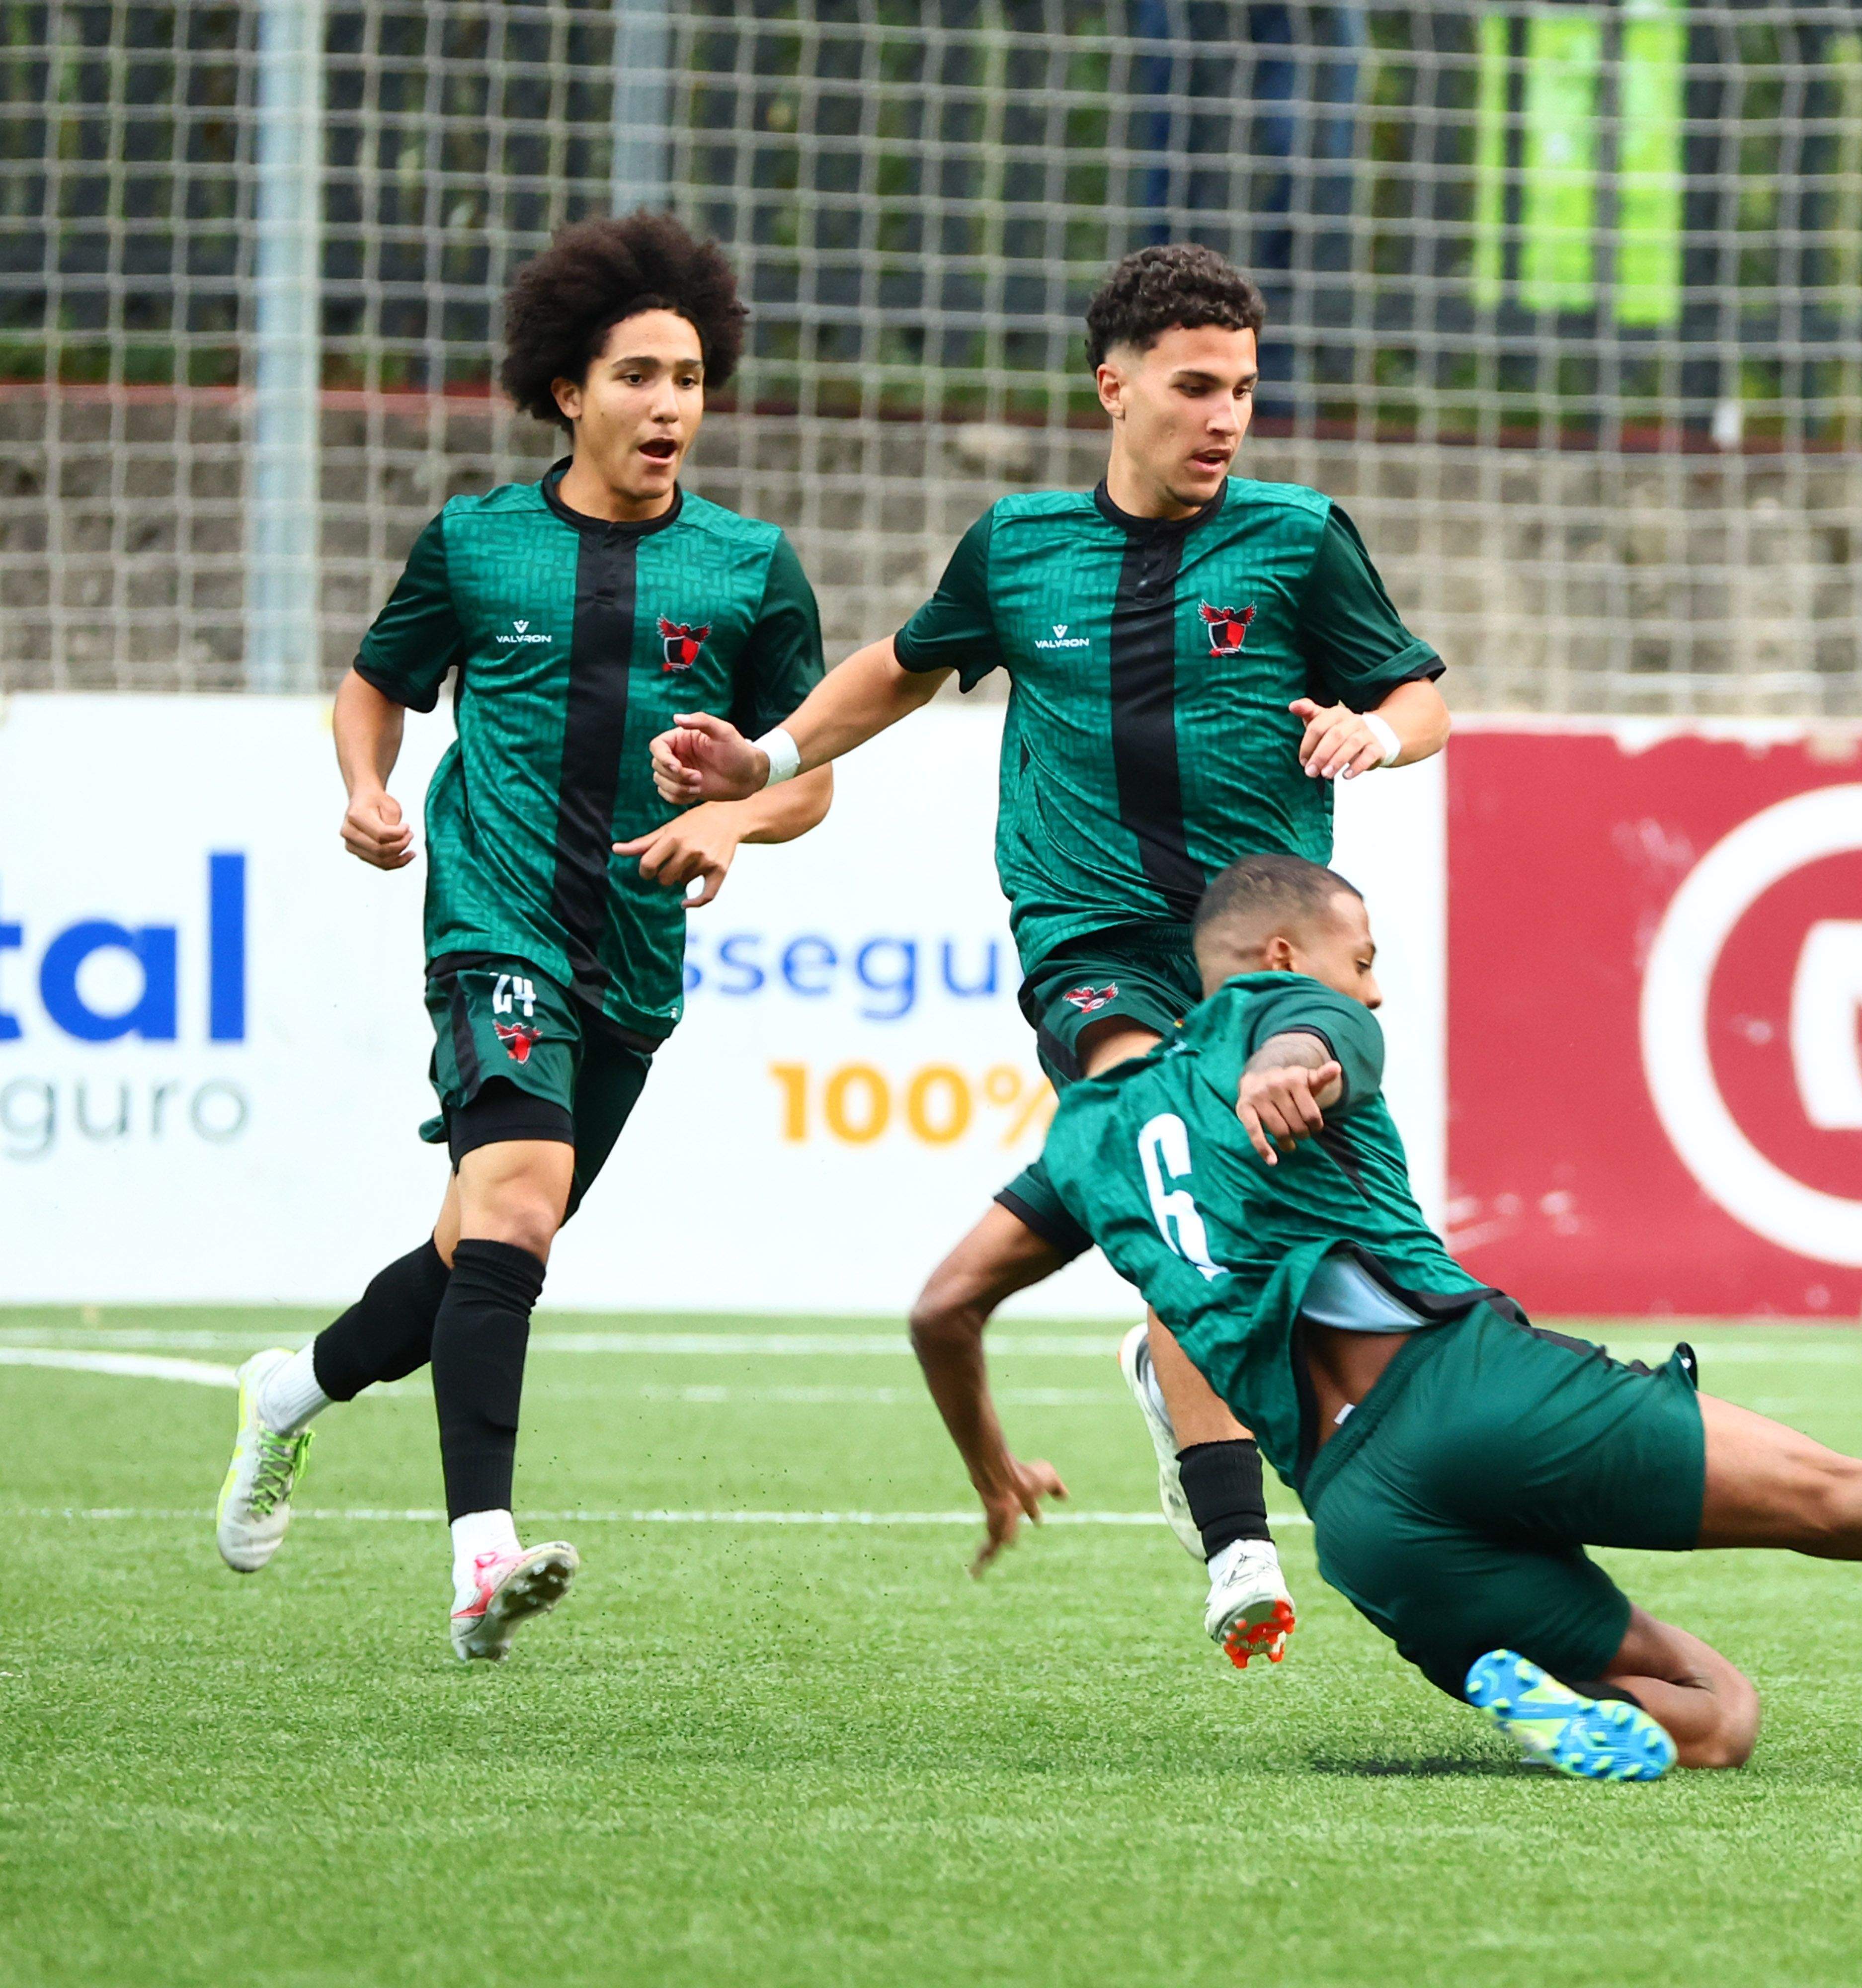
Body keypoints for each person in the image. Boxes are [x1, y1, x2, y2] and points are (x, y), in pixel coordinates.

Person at [1010, 851, 1862, 1780]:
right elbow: (1329, 1037)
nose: (1375, 980)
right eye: (1361, 953)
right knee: (1844, 1496)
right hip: (1478, 1391)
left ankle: (1520, 1693)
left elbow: (951, 1305)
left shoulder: (1090, 1142)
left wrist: (989, 1455)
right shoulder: (1295, 1021)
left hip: (1366, 1525)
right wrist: (1312, 1045)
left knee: (1716, 1718)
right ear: (1274, 958)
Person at [649, 244, 1449, 1668]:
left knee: (1253, 1221)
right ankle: (1238, 1544)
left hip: (1260, 954)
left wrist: (1373, 734)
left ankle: (1174, 1367)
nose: (1225, 419)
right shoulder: (1019, 548)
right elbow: (899, 664)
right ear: (1114, 386)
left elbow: (1416, 694)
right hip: (1090, 942)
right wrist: (760, 756)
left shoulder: (1296, 538)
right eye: (1196, 387)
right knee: (1175, 1150)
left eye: (1246, 392)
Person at [211, 212, 835, 1661]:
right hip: (490, 916)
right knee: (517, 1206)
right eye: (636, 375)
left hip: (632, 959)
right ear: (568, 389)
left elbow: (806, 777)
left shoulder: (750, 569)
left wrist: (734, 822)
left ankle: (290, 1392)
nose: (670, 404)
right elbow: (377, 686)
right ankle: (480, 1558)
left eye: (688, 375)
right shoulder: (478, 543)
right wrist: (365, 788)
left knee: (489, 1240)